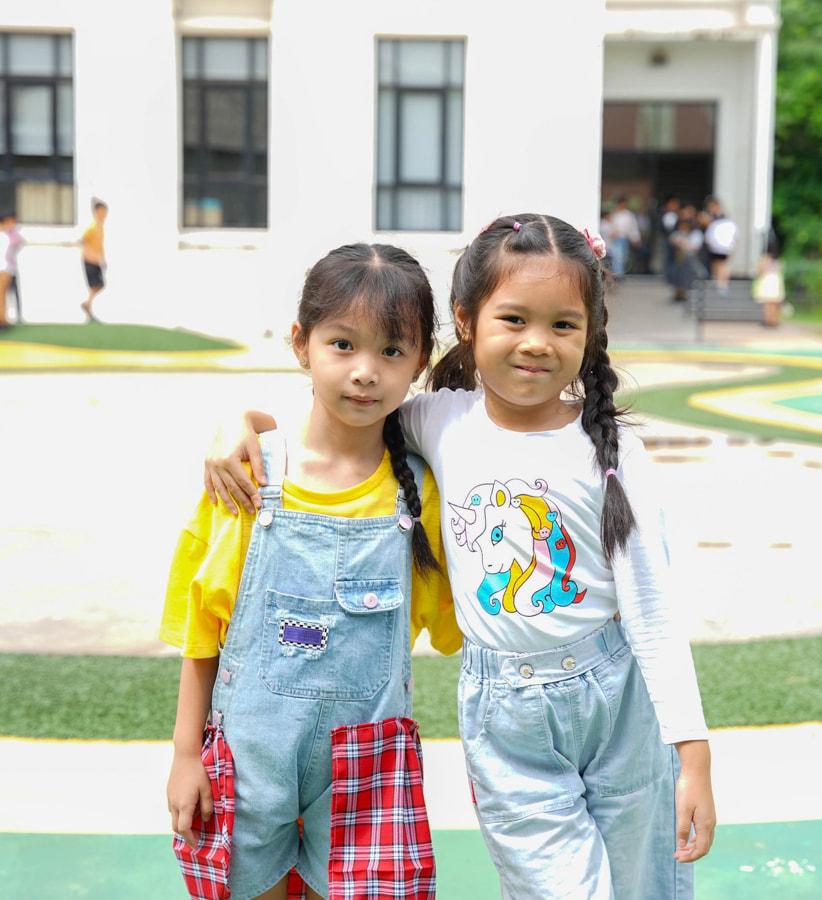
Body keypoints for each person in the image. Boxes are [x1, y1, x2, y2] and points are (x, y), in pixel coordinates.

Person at [206, 215, 716, 899]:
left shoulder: (615, 454)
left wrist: (694, 756)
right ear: (467, 321)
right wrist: (242, 425)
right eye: (513, 319)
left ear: (591, 333)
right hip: (506, 721)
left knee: (645, 888)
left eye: (563, 325)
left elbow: (653, 612)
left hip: (618, 703)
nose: (536, 344)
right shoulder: (440, 420)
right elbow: (349, 405)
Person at [163, 243, 461, 900]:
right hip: (250, 759)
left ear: (419, 361)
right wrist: (186, 754)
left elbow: (462, 622)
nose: (365, 371)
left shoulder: (422, 494)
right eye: (342, 344)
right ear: (302, 343)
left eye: (391, 350)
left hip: (368, 774)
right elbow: (202, 629)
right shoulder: (248, 476)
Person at [80, 198, 108, 322]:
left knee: (100, 285)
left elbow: (100, 246)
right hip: (89, 260)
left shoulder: (101, 228)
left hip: (97, 261)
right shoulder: (91, 229)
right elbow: (83, 242)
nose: (104, 215)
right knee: (94, 284)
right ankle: (88, 308)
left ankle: (88, 305)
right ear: (96, 212)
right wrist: (90, 256)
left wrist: (102, 259)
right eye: (102, 212)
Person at [703, 197, 738, 293]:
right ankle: (719, 282)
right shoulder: (710, 217)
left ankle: (722, 283)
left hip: (722, 246)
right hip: (715, 246)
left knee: (722, 265)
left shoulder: (721, 219)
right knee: (717, 265)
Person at [669, 212, 705, 302]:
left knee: (690, 277)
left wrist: (683, 243)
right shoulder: (678, 233)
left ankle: (686, 293)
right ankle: (678, 293)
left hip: (691, 260)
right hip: (679, 260)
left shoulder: (696, 233)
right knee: (677, 276)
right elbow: (673, 240)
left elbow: (694, 247)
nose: (683, 228)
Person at [753, 230, 786, 327]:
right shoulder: (778, 260)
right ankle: (774, 320)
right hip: (776, 281)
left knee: (768, 303)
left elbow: (760, 270)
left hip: (767, 280)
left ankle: (768, 320)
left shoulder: (765, 258)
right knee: (775, 302)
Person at [608, 196, 641, 279]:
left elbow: (633, 227)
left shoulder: (629, 215)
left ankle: (620, 273)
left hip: (625, 238)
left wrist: (635, 238)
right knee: (617, 256)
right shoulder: (615, 214)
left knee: (623, 257)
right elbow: (610, 226)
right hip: (616, 239)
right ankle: (618, 275)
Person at [0, 212, 24, 324]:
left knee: (3, 294)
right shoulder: (5, 235)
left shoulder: (9, 235)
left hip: (6, 268)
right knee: (2, 295)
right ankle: (2, 319)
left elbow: (18, 241)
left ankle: (3, 319)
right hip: (4, 267)